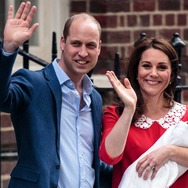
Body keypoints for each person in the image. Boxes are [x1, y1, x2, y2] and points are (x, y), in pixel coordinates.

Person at [0, 1, 112, 188]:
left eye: (90, 45)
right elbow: (2, 99)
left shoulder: (95, 98)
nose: (83, 53)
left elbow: (90, 161)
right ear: (62, 42)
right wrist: (9, 49)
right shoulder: (33, 83)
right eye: (76, 43)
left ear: (99, 48)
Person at [99, 36, 188, 188]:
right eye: (146, 66)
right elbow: (109, 157)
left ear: (172, 74)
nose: (153, 73)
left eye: (162, 67)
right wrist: (129, 109)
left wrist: (169, 152)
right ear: (136, 71)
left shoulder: (185, 115)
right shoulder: (115, 114)